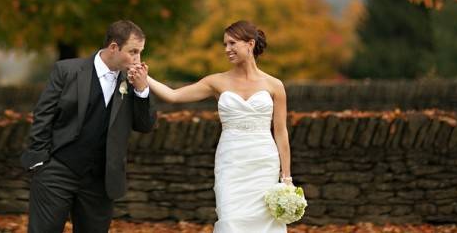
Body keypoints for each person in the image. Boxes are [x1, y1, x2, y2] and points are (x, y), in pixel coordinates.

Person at [142, 20, 291, 233]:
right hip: (231, 163)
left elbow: (281, 132)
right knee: (230, 221)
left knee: (264, 224)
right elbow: (174, 96)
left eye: (232, 43)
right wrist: (145, 77)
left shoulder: (275, 85)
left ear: (250, 44)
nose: (227, 49)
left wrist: (286, 178)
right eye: (225, 45)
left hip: (263, 163)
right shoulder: (216, 82)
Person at [21, 20, 156, 233]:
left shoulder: (132, 82)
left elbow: (145, 125)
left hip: (101, 181)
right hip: (57, 170)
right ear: (113, 47)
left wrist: (142, 91)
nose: (138, 59)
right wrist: (39, 162)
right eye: (133, 52)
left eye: (140, 52)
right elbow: (43, 115)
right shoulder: (67, 71)